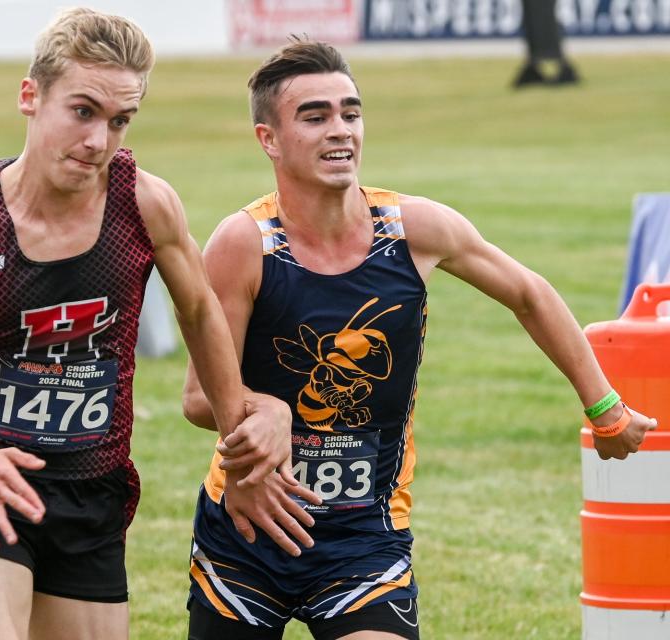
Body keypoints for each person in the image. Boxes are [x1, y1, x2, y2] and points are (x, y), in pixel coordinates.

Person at [0, 9, 315, 640]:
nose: (100, 140)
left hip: (92, 489)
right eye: (83, 112)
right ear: (31, 97)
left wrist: (238, 440)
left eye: (120, 120)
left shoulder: (145, 203)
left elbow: (198, 308)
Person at [182, 38, 658, 640]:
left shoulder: (412, 230)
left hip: (365, 535)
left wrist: (605, 407)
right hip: (248, 527)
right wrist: (264, 407)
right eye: (315, 116)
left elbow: (529, 293)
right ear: (268, 139)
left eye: (350, 113)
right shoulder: (243, 244)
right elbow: (199, 397)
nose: (341, 131)